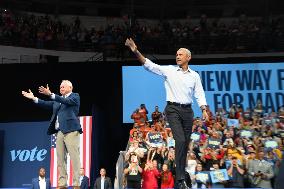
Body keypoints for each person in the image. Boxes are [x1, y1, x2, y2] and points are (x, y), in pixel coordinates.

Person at [125, 38, 208, 189]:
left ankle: (181, 179)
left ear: (188, 57)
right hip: (173, 110)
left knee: (185, 143)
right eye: (176, 54)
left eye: (180, 54)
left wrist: (203, 109)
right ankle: (181, 177)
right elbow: (149, 65)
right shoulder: (169, 70)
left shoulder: (194, 75)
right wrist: (136, 51)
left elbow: (199, 93)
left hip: (188, 111)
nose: (177, 56)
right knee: (180, 140)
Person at [22, 80, 82, 188]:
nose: (61, 88)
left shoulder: (75, 96)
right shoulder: (57, 100)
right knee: (60, 160)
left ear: (70, 88)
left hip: (71, 131)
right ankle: (62, 184)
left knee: (74, 158)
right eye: (60, 86)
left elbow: (67, 101)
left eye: (63, 86)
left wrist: (51, 94)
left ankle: (77, 184)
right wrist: (34, 98)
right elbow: (45, 104)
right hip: (59, 132)